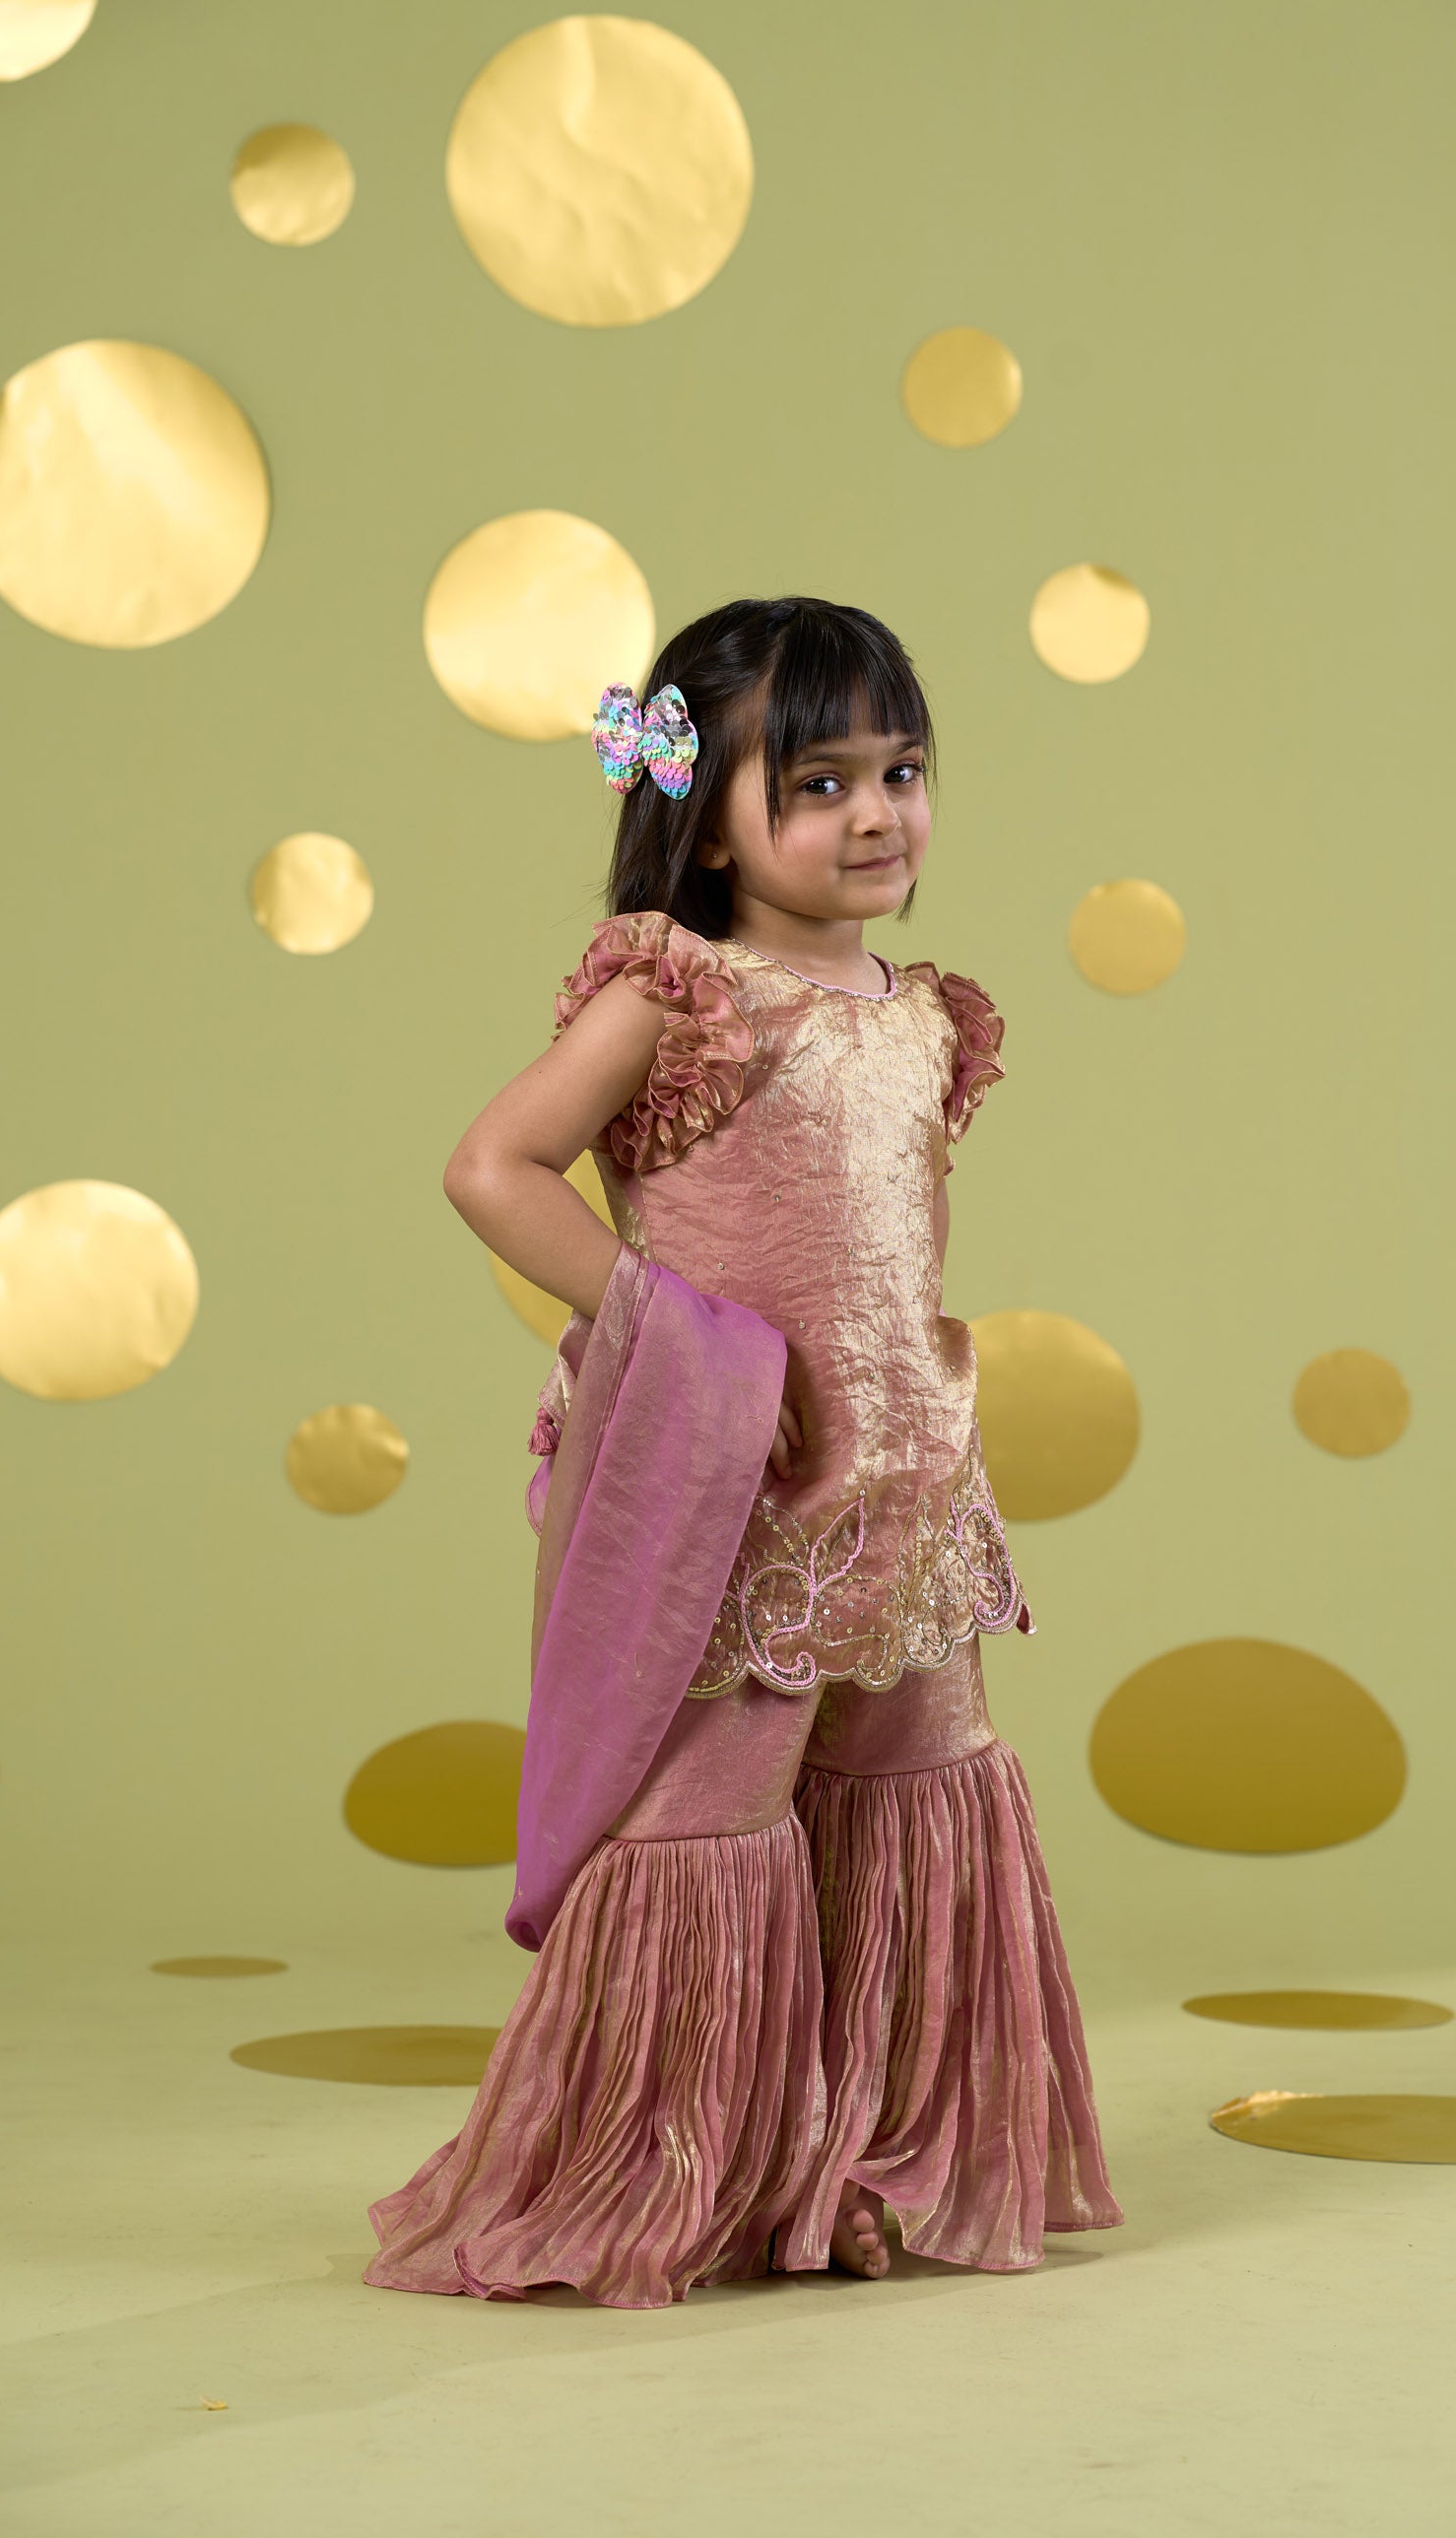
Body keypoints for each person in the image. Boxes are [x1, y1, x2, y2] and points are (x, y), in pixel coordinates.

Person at [364, 596, 1122, 2308]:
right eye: (820, 781)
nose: (876, 815)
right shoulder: (678, 992)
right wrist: (670, 1331)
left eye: (901, 772)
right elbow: (493, 1166)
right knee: (710, 1813)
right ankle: (673, 2164)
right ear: (705, 818)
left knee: (909, 1799)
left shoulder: (920, 1012)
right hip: (736, 1491)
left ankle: (867, 2156)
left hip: (904, 1483)